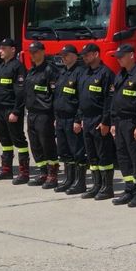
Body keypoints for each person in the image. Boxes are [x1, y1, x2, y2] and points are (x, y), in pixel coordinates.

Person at [109, 44, 136, 208]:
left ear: (131, 56)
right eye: (117, 56)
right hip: (119, 122)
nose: (119, 59)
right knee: (122, 156)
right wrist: (113, 122)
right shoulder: (120, 75)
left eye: (121, 56)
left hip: (133, 122)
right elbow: (114, 100)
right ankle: (129, 190)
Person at [76, 43, 116, 201]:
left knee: (103, 154)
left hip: (100, 120)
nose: (84, 57)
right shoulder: (85, 73)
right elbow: (82, 98)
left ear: (96, 54)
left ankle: (108, 188)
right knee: (92, 156)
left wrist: (106, 121)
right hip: (87, 120)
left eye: (87, 54)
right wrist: (80, 118)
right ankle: (96, 185)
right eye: (83, 55)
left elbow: (109, 100)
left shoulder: (106, 73)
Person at [0, 38, 29, 184]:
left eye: (3, 48)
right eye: (0, 48)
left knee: (18, 140)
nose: (0, 50)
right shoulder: (0, 67)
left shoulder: (17, 67)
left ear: (13, 49)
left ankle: (24, 172)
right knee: (4, 140)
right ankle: (6, 170)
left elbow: (20, 92)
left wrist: (16, 111)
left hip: (11, 110)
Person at [24, 40, 60, 189]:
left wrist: (55, 116)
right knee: (35, 145)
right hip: (32, 112)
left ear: (43, 52)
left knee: (47, 144)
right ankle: (43, 172)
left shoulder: (50, 70)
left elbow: (55, 94)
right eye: (31, 52)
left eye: (35, 52)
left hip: (45, 114)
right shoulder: (32, 70)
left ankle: (52, 175)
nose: (32, 55)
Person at [52, 44, 85, 194]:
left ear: (74, 56)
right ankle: (68, 180)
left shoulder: (80, 72)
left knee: (77, 151)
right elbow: (57, 96)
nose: (63, 58)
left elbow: (81, 99)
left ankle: (80, 182)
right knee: (64, 151)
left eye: (66, 55)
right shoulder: (62, 73)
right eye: (62, 55)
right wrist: (56, 117)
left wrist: (78, 119)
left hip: (72, 118)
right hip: (61, 118)